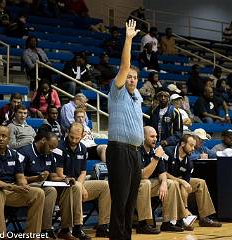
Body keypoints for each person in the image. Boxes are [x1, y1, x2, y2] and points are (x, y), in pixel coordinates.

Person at [106, 20, 143, 240]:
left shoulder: (137, 96)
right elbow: (124, 65)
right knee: (120, 199)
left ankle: (126, 237)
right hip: (119, 150)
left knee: (130, 200)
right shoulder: (116, 91)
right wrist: (129, 39)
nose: (131, 78)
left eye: (135, 77)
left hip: (134, 152)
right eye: (129, 76)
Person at [0, 126, 45, 235]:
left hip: (10, 191)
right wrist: (13, 187)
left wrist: (22, 185)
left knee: (38, 193)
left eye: (3, 136)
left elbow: (20, 177)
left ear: (9, 139)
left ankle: (32, 235)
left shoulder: (15, 154)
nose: (0, 139)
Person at [54, 122, 110, 239]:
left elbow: (83, 173)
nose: (74, 140)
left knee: (105, 186)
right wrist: (80, 186)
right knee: (77, 187)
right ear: (68, 132)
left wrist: (81, 185)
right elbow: (59, 174)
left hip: (78, 184)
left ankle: (103, 226)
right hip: (62, 186)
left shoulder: (83, 148)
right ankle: (77, 228)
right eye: (71, 137)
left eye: (77, 138)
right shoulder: (59, 148)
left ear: (83, 135)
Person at [136, 126, 189, 233]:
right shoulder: (137, 150)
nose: (155, 139)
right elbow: (143, 175)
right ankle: (143, 224)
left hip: (150, 185)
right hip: (136, 186)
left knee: (171, 183)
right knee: (145, 183)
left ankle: (168, 222)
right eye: (152, 136)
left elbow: (162, 172)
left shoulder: (156, 150)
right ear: (143, 137)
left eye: (156, 136)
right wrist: (156, 158)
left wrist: (164, 183)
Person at [164, 134, 222, 227]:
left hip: (179, 182)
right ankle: (180, 218)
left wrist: (186, 207)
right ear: (182, 144)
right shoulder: (168, 152)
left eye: (194, 146)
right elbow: (162, 173)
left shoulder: (189, 161)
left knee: (200, 183)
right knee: (175, 183)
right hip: (164, 181)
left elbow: (185, 185)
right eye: (191, 145)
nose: (193, 148)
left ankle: (204, 217)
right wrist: (180, 181)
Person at [17, 131, 59, 238]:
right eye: (50, 146)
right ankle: (33, 232)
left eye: (53, 148)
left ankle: (46, 228)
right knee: (43, 191)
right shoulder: (24, 152)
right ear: (43, 140)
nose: (51, 150)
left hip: (42, 185)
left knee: (52, 190)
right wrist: (37, 178)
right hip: (24, 186)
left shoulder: (50, 154)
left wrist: (65, 179)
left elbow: (53, 176)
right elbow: (18, 178)